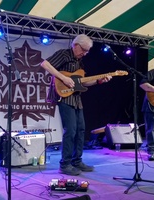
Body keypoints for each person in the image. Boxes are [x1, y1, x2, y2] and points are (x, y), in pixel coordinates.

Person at [41, 34, 112, 175]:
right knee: (70, 130)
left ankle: (77, 161)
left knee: (80, 130)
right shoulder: (64, 54)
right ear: (76, 45)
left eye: (87, 51)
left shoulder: (80, 63)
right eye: (84, 50)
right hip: (64, 97)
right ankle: (65, 164)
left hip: (76, 99)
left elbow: (83, 82)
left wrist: (99, 81)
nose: (85, 53)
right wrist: (63, 78)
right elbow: (45, 64)